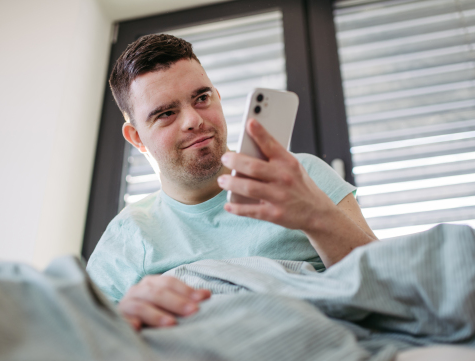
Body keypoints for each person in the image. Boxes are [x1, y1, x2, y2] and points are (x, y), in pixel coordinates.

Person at [86, 33, 377, 330]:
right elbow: (89, 344)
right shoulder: (127, 236)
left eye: (201, 98)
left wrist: (318, 217)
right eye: (166, 113)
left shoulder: (302, 175)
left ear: (218, 98)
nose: (193, 120)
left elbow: (387, 285)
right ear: (137, 138)